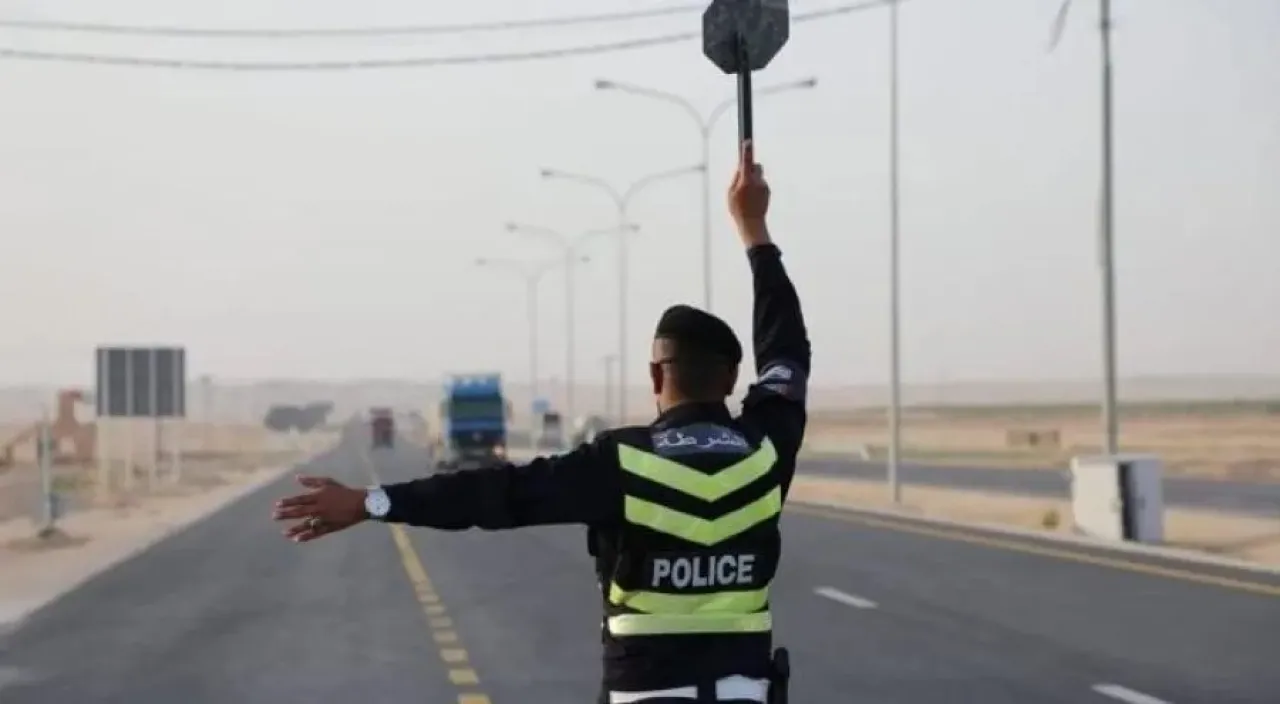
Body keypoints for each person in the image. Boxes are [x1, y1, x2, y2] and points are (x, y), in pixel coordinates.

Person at [273, 139, 810, 704]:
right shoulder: (766, 450)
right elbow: (786, 352)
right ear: (732, 378)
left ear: (656, 375)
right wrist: (755, 230)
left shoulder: (622, 463)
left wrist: (371, 502)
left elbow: (495, 495)